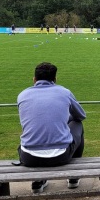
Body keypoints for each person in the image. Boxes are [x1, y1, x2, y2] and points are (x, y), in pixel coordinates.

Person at [17, 62, 86, 193]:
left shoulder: (22, 95)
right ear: (55, 79)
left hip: (28, 157)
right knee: (77, 124)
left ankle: (37, 182)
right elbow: (80, 116)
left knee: (31, 130)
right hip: (60, 155)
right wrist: (65, 119)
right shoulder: (64, 92)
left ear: (34, 79)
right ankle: (73, 177)